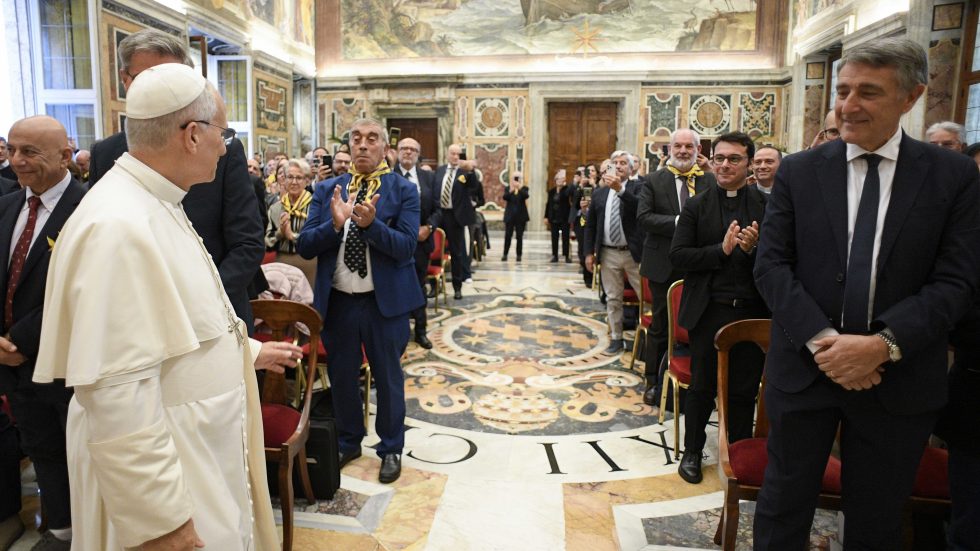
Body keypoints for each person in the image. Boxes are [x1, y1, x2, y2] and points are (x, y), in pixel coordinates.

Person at [34, 63, 301, 551]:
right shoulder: (118, 225)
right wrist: (160, 522)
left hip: (194, 453)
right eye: (223, 133)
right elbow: (116, 391)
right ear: (193, 135)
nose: (227, 145)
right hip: (169, 480)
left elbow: (172, 336)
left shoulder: (157, 201)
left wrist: (244, 354)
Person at [752, 37, 980, 549]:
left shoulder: (953, 176)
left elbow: (957, 281)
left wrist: (882, 345)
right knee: (782, 508)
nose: (848, 106)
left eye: (868, 93)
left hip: (898, 380)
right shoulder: (799, 171)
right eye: (844, 90)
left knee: (876, 520)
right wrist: (825, 344)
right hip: (806, 371)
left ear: (911, 96)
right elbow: (771, 267)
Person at [88, 28, 265, 336]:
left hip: (217, 315)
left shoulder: (223, 150)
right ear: (125, 80)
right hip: (137, 322)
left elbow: (247, 242)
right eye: (146, 78)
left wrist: (197, 303)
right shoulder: (106, 154)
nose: (161, 88)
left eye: (172, 77)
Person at [297, 118, 423, 484]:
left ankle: (391, 448)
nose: (362, 145)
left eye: (371, 139)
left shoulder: (403, 191)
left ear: (385, 148)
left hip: (383, 305)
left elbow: (404, 249)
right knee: (341, 375)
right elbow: (306, 245)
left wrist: (372, 227)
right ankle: (349, 440)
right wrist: (335, 226)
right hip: (338, 302)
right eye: (356, 139)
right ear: (349, 147)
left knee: (387, 377)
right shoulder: (326, 190)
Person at [0, 116, 86, 550]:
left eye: (29, 152)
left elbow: (78, 293)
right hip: (14, 369)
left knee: (80, 459)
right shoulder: (7, 205)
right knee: (43, 453)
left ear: (65, 156)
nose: (17, 161)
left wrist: (18, 342)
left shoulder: (89, 210)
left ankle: (87, 535)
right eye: (12, 149)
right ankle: (60, 532)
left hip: (68, 365)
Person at [668, 132, 768, 484]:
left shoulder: (766, 206)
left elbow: (782, 261)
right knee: (702, 387)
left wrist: (756, 249)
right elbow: (678, 257)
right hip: (709, 310)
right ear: (711, 161)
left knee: (743, 390)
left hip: (752, 313)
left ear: (749, 164)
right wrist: (720, 251)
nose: (725, 165)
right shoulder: (697, 206)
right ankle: (693, 451)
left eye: (735, 159)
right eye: (720, 158)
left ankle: (739, 454)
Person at [637, 128, 717, 407]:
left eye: (689, 146)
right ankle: (652, 382)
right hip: (663, 265)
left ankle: (696, 384)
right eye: (678, 146)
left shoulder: (709, 181)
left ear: (698, 150)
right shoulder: (653, 181)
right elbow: (645, 218)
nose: (683, 151)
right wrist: (680, 222)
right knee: (660, 326)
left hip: (699, 266)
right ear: (669, 149)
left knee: (698, 326)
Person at [584, 151, 644, 355]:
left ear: (630, 168)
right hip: (608, 253)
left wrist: (620, 190)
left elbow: (640, 209)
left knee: (646, 297)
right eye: (614, 163)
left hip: (634, 254)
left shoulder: (639, 187)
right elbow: (590, 225)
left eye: (623, 163)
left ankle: (646, 339)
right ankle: (617, 338)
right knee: (613, 298)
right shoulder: (599, 193)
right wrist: (588, 253)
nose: (618, 166)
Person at [394, 137, 438, 349]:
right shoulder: (387, 176)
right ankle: (398, 334)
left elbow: (438, 209)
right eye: (404, 149)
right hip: (395, 242)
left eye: (412, 149)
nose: (408, 152)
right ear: (397, 152)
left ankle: (421, 331)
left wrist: (428, 227)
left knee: (418, 287)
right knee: (396, 287)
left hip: (421, 243)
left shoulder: (428, 177)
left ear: (418, 154)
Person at [434, 144, 481, 299]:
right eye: (452, 153)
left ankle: (457, 287)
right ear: (447, 154)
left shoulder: (465, 173)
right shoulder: (439, 171)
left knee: (457, 252)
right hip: (439, 214)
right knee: (434, 250)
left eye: (458, 154)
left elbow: (474, 187)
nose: (455, 156)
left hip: (456, 217)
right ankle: (435, 286)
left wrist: (471, 170)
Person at [266, 158, 317, 283]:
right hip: (282, 261)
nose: (294, 182)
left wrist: (292, 236)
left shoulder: (315, 206)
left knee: (306, 302)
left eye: (299, 178)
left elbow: (317, 239)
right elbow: (267, 241)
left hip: (308, 263)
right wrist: (280, 233)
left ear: (306, 181)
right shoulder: (276, 207)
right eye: (290, 177)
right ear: (284, 180)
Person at [501, 171, 529, 262]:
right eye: (515, 178)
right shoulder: (508, 188)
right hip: (510, 216)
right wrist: (512, 189)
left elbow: (526, 196)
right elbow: (505, 197)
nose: (516, 180)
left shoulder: (524, 188)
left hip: (521, 217)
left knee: (519, 237)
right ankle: (505, 254)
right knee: (508, 236)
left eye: (518, 178)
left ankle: (519, 255)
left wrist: (519, 188)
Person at [545, 169, 572, 263]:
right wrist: (546, 216)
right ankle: (555, 255)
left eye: (561, 179)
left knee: (565, 237)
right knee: (554, 237)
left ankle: (566, 255)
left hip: (564, 217)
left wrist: (563, 186)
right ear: (555, 180)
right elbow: (548, 204)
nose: (559, 181)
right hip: (554, 217)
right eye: (558, 179)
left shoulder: (566, 190)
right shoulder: (551, 191)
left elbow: (566, 195)